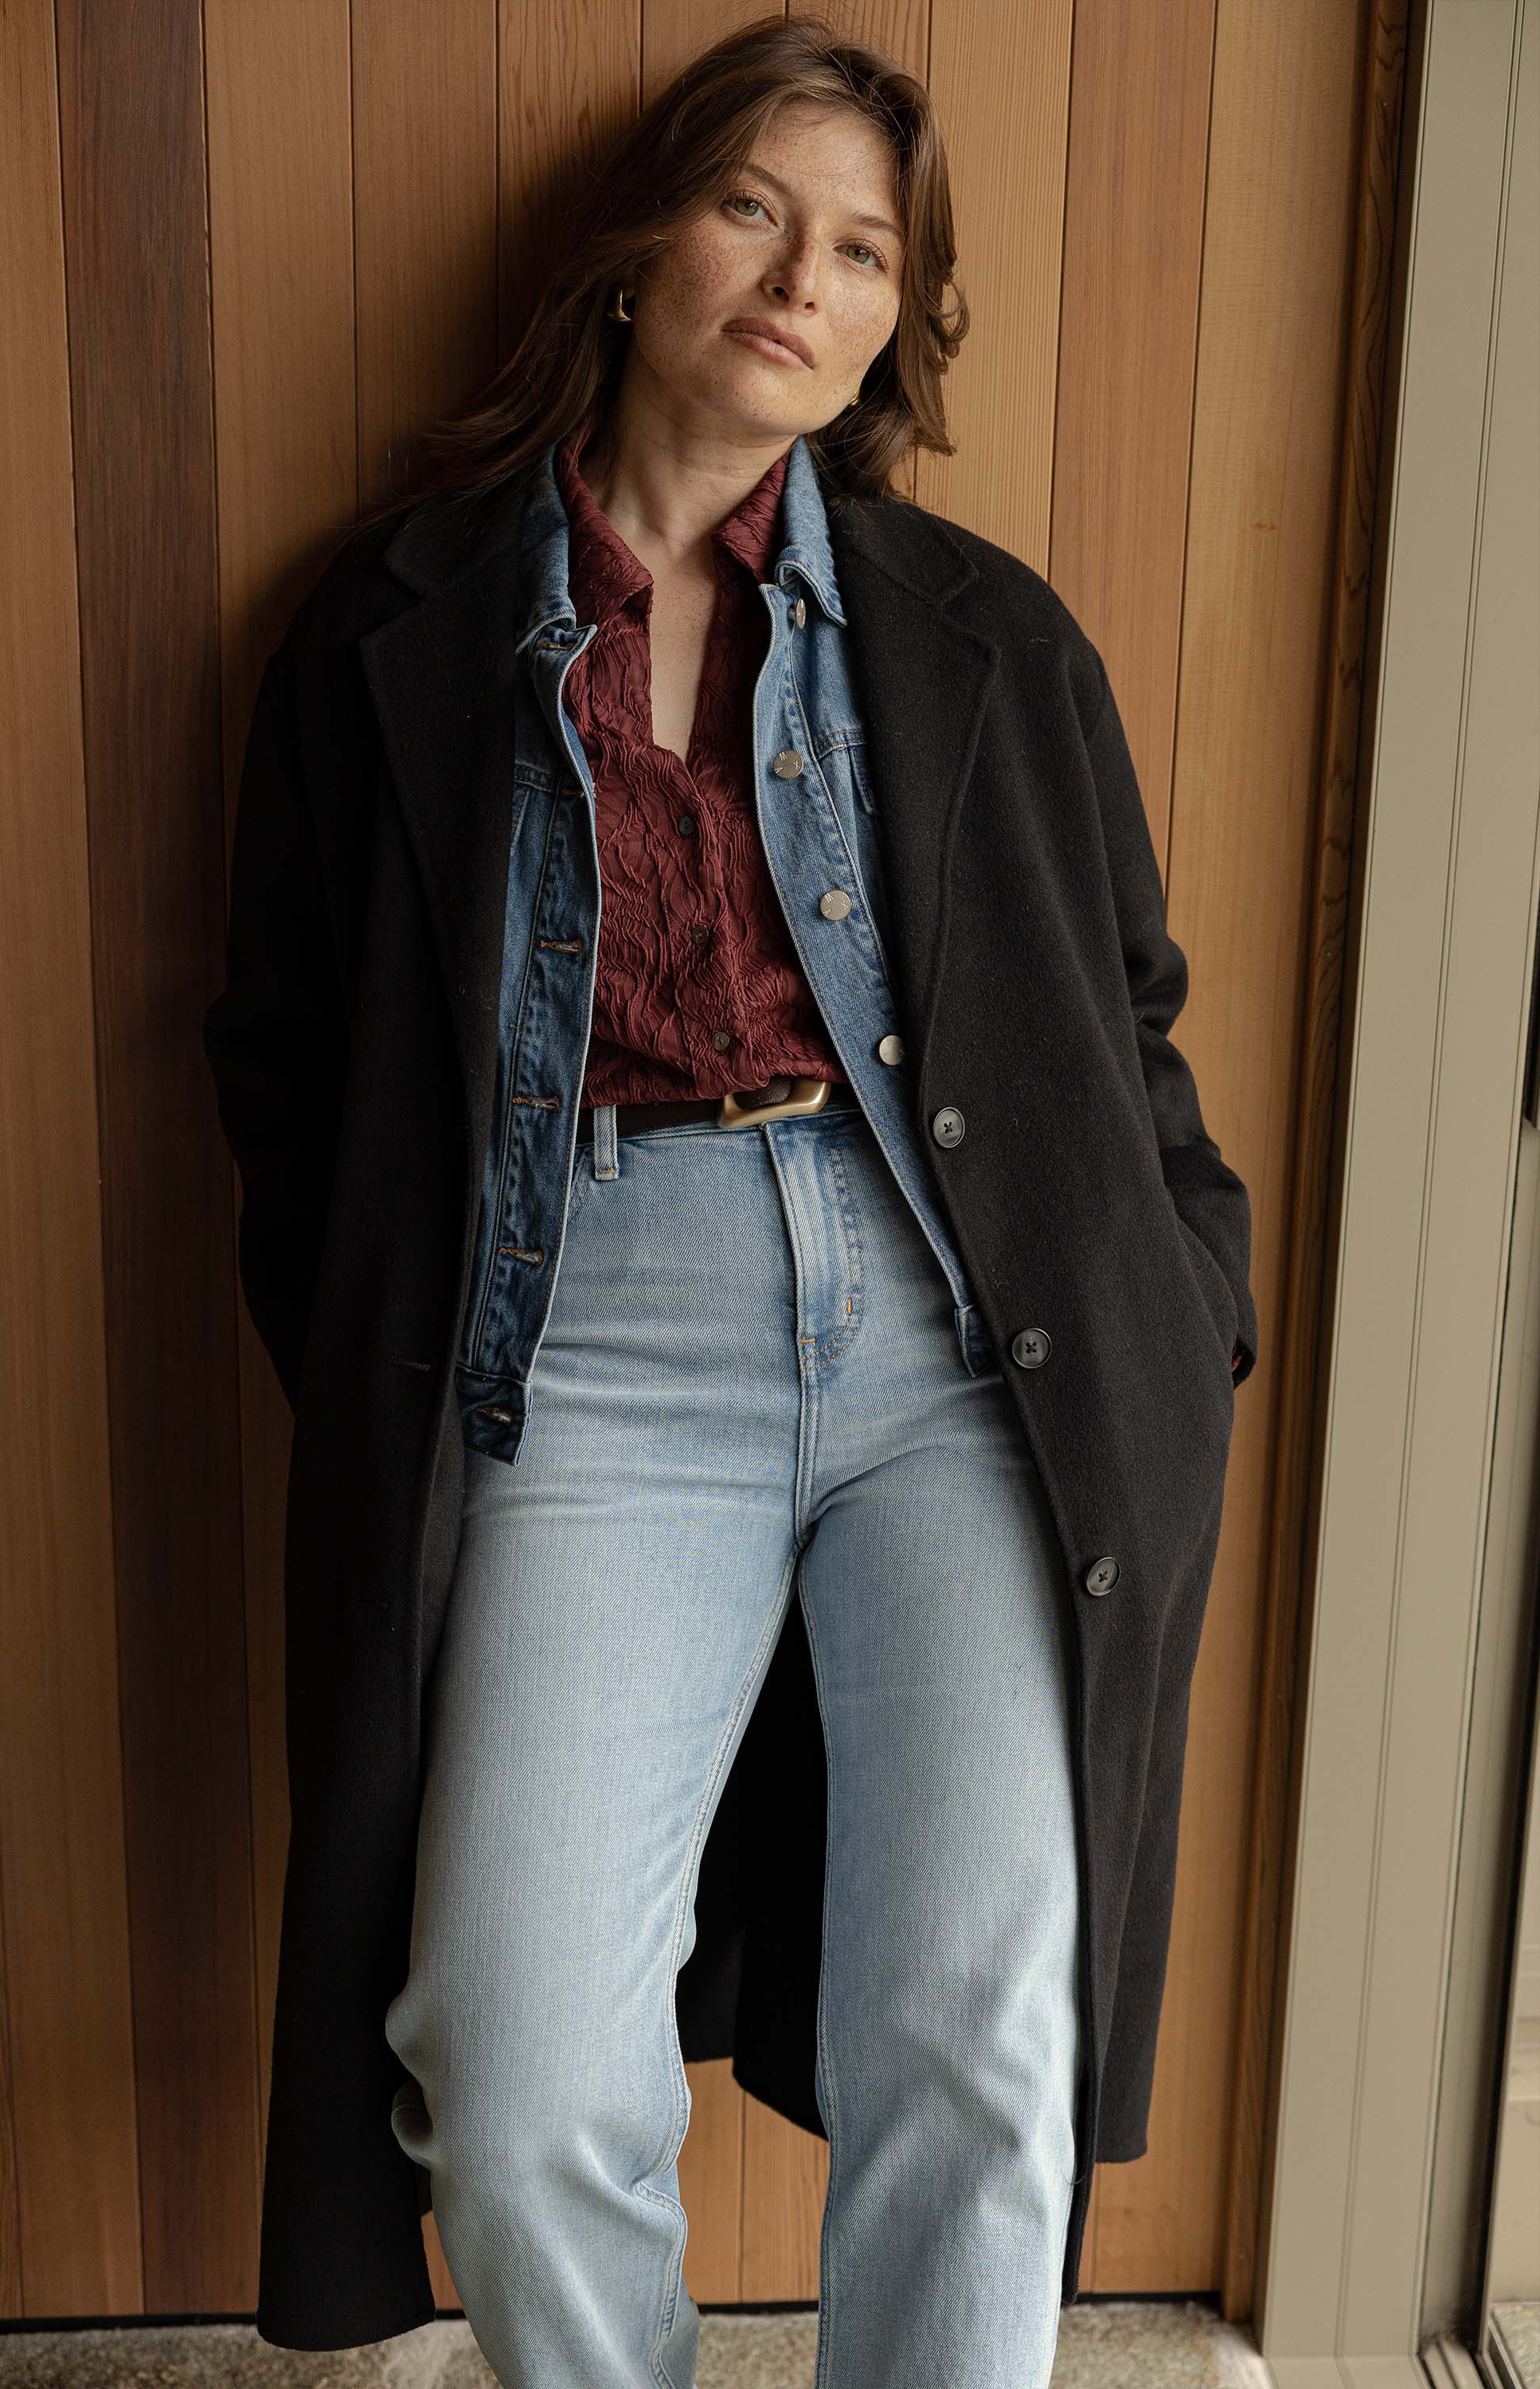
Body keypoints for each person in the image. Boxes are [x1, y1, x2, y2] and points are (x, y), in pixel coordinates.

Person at [203, 14, 1257, 2382]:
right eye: (759, 209)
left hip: (965, 1349)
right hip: (586, 1345)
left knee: (975, 2044)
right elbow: (286, 1071)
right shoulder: (394, 628)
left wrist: (1190, 1291)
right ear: (641, 245)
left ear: (901, 321)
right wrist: (411, 1338)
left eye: (868, 248)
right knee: (515, 2061)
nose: (805, 276)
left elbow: (1131, 1006)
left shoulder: (986, 636)